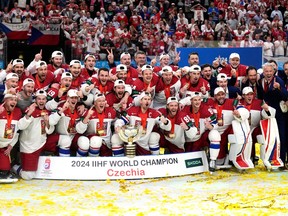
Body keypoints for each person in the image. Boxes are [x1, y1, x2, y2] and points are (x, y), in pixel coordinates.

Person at [13, 90, 56, 180]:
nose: (41, 101)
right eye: (39, 99)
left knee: (64, 140)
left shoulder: (47, 112)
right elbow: (20, 126)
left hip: (43, 142)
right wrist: (29, 114)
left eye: (43, 99)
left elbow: (50, 131)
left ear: (46, 100)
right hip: (30, 146)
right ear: (35, 100)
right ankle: (14, 166)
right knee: (28, 176)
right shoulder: (29, 109)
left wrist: (47, 121)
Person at [112, 91, 170, 155]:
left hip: (145, 143)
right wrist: (118, 126)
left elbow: (167, 127)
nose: (147, 101)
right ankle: (119, 161)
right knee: (115, 138)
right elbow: (121, 120)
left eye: (149, 99)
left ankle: (154, 160)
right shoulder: (132, 111)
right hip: (132, 141)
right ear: (140, 101)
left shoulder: (154, 113)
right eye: (145, 99)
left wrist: (165, 122)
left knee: (154, 136)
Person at [258, 63, 288, 164]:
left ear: (274, 72)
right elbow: (260, 97)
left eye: (270, 71)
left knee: (281, 136)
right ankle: (270, 158)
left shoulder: (278, 81)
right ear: (263, 72)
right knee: (270, 136)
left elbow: (285, 96)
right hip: (268, 113)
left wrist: (279, 88)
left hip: (279, 113)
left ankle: (282, 160)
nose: (269, 73)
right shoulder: (261, 81)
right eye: (266, 71)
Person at [0, 94, 32, 180]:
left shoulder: (18, 111)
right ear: (5, 101)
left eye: (15, 100)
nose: (14, 102)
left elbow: (17, 131)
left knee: (5, 171)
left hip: (4, 147)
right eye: (11, 99)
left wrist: (10, 146)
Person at [48, 89, 87, 157]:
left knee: (84, 141)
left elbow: (81, 131)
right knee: (66, 140)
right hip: (62, 138)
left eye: (75, 98)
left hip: (74, 137)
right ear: (67, 98)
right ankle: (64, 164)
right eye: (72, 97)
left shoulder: (80, 110)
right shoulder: (61, 108)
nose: (74, 100)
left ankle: (79, 163)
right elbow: (51, 122)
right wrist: (62, 110)